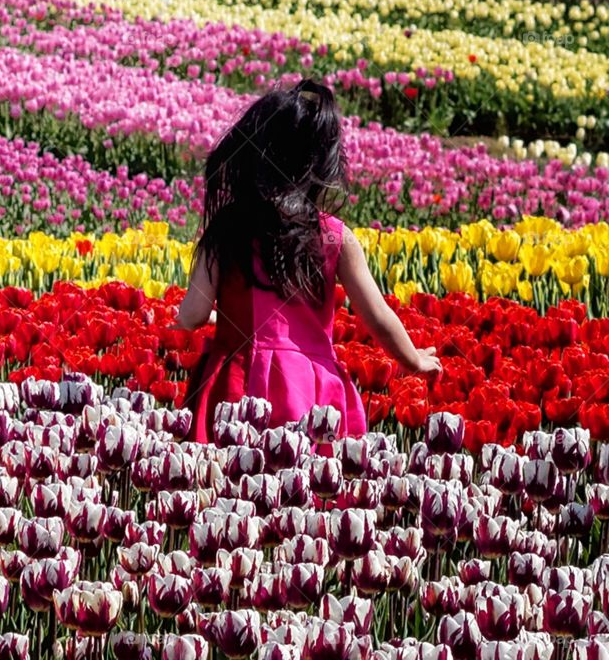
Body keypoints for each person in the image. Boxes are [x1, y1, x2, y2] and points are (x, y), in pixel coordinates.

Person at [175, 80, 442, 444]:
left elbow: (191, 315)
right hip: (310, 387)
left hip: (239, 383)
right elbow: (378, 317)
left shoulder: (227, 228)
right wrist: (414, 360)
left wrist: (219, 316)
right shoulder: (334, 236)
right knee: (307, 487)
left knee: (234, 488)